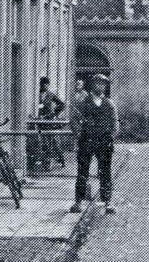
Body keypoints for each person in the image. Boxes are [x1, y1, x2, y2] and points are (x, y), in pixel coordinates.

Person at [70, 73, 117, 214]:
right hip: (86, 142)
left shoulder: (109, 104)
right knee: (82, 171)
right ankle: (78, 202)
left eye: (103, 84)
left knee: (105, 172)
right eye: (98, 83)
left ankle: (107, 202)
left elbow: (115, 123)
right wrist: (79, 135)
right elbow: (74, 120)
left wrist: (110, 137)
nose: (101, 86)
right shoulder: (83, 103)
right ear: (93, 84)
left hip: (104, 143)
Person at [34, 77, 67, 173]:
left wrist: (53, 114)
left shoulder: (51, 94)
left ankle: (60, 159)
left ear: (48, 85)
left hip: (49, 122)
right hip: (40, 122)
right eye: (43, 84)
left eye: (46, 84)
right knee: (44, 143)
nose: (44, 86)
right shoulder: (37, 94)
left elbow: (62, 104)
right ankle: (46, 163)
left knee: (53, 142)